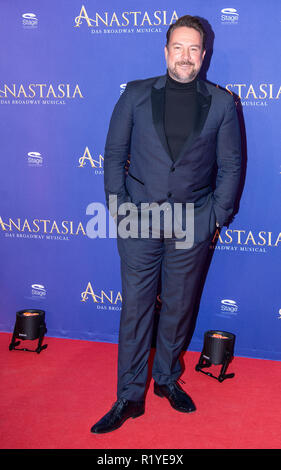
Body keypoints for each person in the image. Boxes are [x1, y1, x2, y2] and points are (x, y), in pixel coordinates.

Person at [91, 15, 241, 434]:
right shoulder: (136, 95)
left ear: (204, 54)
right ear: (166, 51)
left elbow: (230, 165)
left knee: (177, 307)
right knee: (136, 309)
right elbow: (113, 153)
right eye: (179, 47)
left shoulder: (222, 103)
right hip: (138, 219)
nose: (186, 56)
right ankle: (129, 395)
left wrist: (217, 216)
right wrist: (118, 209)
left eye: (194, 48)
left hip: (192, 221)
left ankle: (166, 379)